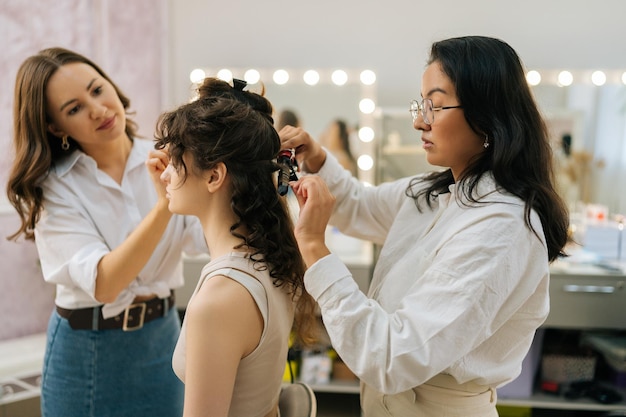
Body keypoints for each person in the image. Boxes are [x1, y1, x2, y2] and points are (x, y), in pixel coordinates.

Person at [280, 35, 569, 417]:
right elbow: (358, 206)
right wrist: (316, 159)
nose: (419, 121)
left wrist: (315, 248)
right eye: (421, 104)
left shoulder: (504, 226)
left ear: (487, 114)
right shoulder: (435, 193)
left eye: (435, 106)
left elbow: (392, 358)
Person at [6, 47, 207, 417]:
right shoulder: (54, 188)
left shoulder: (170, 160)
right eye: (74, 109)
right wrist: (165, 205)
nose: (97, 109)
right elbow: (105, 284)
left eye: (97, 90)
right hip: (87, 353)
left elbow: (207, 236)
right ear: (55, 127)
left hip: (164, 342)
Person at [156, 77, 317, 417]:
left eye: (174, 161)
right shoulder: (268, 260)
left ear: (214, 176)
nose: (164, 176)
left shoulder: (219, 300)